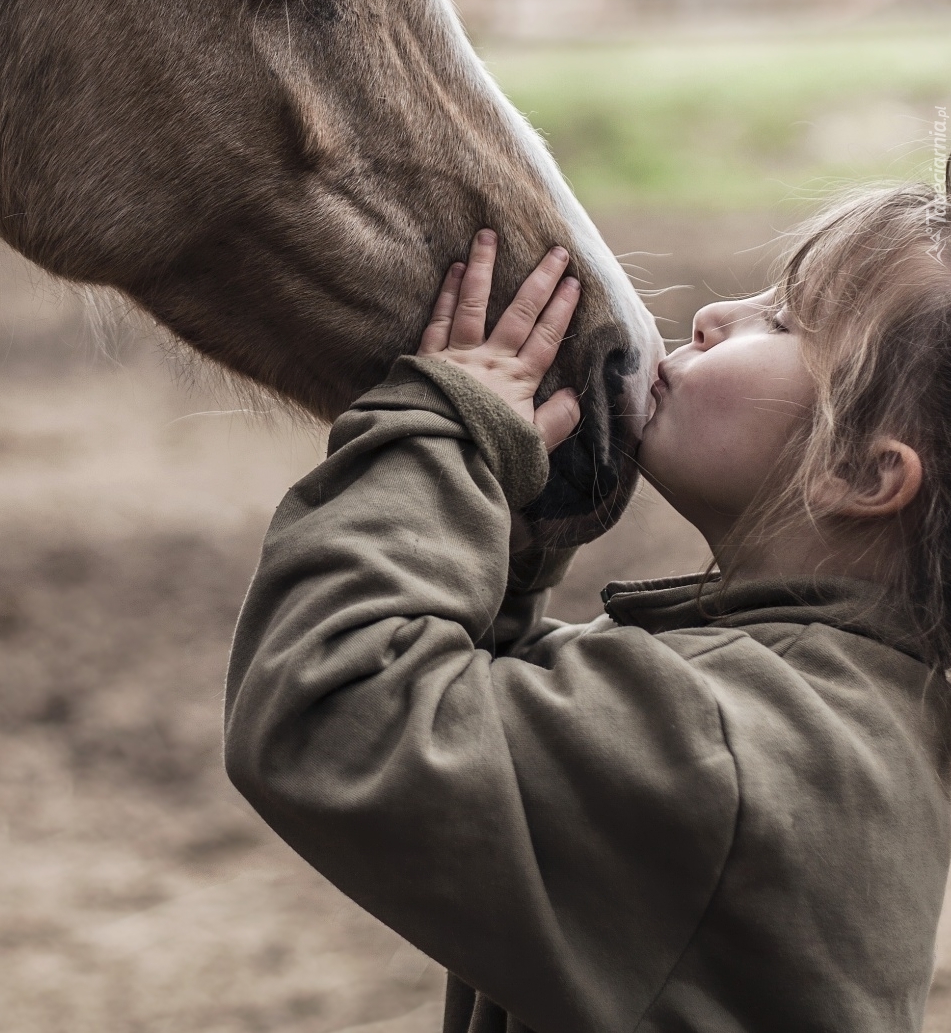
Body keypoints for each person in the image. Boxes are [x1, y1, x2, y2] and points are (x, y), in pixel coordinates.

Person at [225, 181, 951, 1033]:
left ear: (863, 475)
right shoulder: (834, 715)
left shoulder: (730, 749)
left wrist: (442, 440)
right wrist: (518, 527)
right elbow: (506, 719)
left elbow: (337, 708)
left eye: (784, 322)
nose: (716, 314)